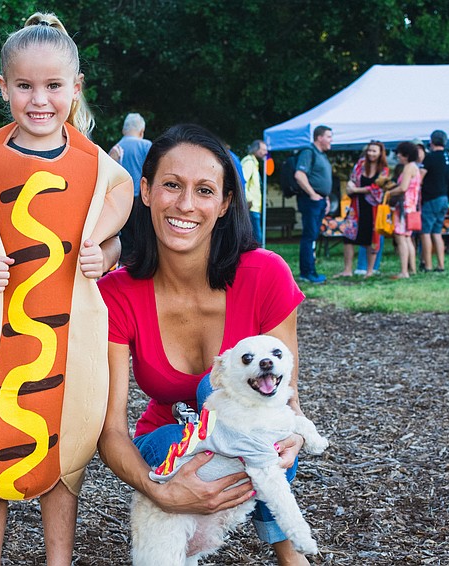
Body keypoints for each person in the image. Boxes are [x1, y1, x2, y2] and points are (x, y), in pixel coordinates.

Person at [0, 12, 132, 566]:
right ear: (4, 88)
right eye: (24, 86)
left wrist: (105, 256)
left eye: (53, 86)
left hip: (70, 334)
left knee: (63, 442)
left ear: (76, 88)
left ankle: (58, 559)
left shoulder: (97, 167)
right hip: (0, 337)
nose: (39, 99)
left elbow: (117, 241)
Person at [96, 124, 312, 566]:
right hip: (167, 443)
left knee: (261, 432)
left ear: (225, 202)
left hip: (245, 440)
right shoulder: (116, 293)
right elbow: (110, 431)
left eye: (205, 190)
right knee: (197, 416)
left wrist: (292, 435)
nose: (186, 205)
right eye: (171, 186)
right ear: (146, 190)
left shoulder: (267, 275)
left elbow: (285, 399)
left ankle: (289, 555)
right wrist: (162, 491)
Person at [336, 141, 389, 277]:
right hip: (356, 206)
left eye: (374, 151)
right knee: (349, 237)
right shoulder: (360, 164)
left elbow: (377, 189)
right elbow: (352, 179)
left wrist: (357, 189)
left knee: (371, 238)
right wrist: (350, 185)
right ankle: (347, 270)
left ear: (380, 153)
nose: (371, 153)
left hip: (373, 208)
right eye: (369, 150)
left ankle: (369, 271)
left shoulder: (383, 169)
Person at [109, 112, 152, 261]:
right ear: (141, 131)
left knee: (125, 240)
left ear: (123, 130)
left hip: (121, 202)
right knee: (142, 239)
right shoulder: (146, 145)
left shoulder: (115, 149)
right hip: (142, 200)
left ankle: (124, 270)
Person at [294, 125, 333, 284]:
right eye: (329, 137)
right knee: (309, 236)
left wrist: (326, 198)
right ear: (319, 137)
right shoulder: (309, 152)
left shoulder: (321, 154)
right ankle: (307, 272)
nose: (331, 140)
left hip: (320, 200)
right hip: (311, 201)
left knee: (313, 236)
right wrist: (312, 194)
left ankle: (311, 271)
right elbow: (299, 174)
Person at [386, 142, 422, 279]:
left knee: (401, 238)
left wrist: (389, 193)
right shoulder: (415, 167)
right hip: (411, 207)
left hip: (403, 207)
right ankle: (412, 269)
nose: (398, 156)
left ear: (406, 155)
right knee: (407, 238)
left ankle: (403, 271)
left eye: (400, 153)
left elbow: (403, 187)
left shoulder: (408, 168)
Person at [419, 130, 449, 273]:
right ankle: (441, 265)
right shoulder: (447, 157)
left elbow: (420, 177)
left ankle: (428, 264)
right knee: (437, 232)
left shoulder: (430, 158)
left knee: (425, 232)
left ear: (432, 141)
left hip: (431, 198)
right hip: (444, 197)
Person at [241, 139, 268, 245]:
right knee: (256, 239)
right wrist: (248, 200)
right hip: (251, 207)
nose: (266, 152)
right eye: (263, 150)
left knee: (256, 238)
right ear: (256, 150)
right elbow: (242, 182)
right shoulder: (249, 163)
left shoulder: (254, 163)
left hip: (255, 207)